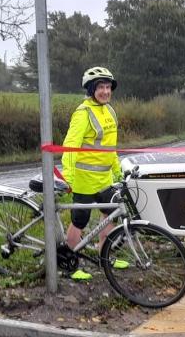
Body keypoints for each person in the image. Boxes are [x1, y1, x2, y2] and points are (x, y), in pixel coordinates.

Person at [62, 66, 127, 281]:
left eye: (108, 87)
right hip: (83, 180)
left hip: (104, 179)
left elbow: (110, 147)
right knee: (80, 221)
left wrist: (117, 171)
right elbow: (70, 146)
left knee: (110, 215)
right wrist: (68, 176)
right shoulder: (83, 113)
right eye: (101, 87)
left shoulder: (110, 111)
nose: (106, 92)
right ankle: (70, 263)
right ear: (91, 90)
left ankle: (104, 255)